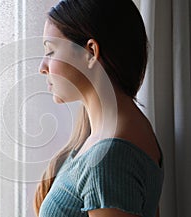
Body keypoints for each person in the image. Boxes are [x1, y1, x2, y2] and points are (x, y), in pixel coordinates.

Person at [34, 0, 164, 217]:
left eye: (51, 51)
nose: (42, 68)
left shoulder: (110, 157)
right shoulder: (121, 127)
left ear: (91, 52)